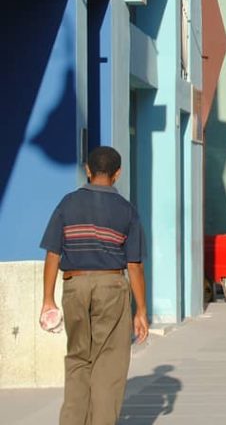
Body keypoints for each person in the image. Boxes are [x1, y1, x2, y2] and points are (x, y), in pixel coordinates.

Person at [39, 146, 149, 425]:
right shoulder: (127, 210)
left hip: (74, 284)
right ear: (118, 174)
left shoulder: (67, 203)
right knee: (109, 363)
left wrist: (48, 299)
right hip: (111, 286)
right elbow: (134, 265)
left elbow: (53, 252)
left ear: (87, 170)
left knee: (78, 359)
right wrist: (141, 311)